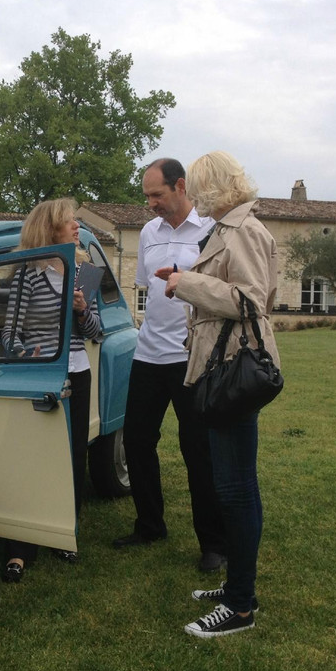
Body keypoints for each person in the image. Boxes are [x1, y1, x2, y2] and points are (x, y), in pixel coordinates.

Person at [158, 150, 279, 637]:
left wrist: (187, 284)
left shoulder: (244, 229)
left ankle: (241, 606)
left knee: (236, 490)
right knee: (233, 487)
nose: (192, 197)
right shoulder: (229, 228)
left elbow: (251, 299)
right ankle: (236, 588)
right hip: (221, 365)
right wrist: (189, 284)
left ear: (211, 187)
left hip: (234, 370)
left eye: (197, 187)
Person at [112, 158, 228, 574]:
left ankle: (213, 543)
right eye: (146, 196)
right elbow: (149, 287)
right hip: (149, 355)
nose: (150, 204)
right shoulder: (148, 232)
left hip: (191, 356)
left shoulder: (211, 230)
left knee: (198, 451)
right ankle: (149, 526)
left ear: (181, 187)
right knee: (139, 443)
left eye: (156, 195)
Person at [0, 198, 102, 583]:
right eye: (68, 221)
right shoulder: (26, 275)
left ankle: (63, 533)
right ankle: (19, 548)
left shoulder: (84, 272)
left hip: (77, 373)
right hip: (39, 378)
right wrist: (27, 351)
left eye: (75, 220)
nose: (76, 226)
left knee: (73, 457)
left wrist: (81, 310)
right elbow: (9, 335)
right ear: (49, 230)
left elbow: (96, 333)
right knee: (31, 460)